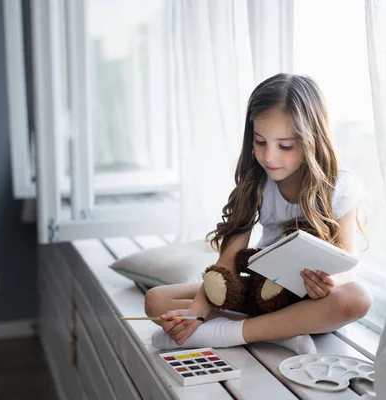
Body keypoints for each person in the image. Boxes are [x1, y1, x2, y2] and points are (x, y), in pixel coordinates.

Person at [145, 73, 372, 355]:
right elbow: (227, 262)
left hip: (306, 298)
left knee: (358, 298)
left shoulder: (340, 185)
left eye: (285, 146)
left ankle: (232, 333)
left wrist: (327, 284)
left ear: (312, 140)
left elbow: (347, 267)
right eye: (260, 142)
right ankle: (280, 335)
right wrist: (198, 312)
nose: (268, 157)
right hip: (259, 291)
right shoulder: (256, 183)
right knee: (155, 300)